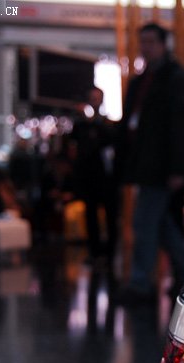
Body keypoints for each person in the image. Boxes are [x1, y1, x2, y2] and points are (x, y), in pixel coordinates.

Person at [116, 23, 184, 303]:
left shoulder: (173, 78)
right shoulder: (144, 80)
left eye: (150, 42)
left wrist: (177, 168)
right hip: (147, 165)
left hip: (159, 166)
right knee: (160, 224)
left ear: (163, 44)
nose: (145, 47)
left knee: (146, 223)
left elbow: (179, 126)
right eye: (143, 42)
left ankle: (141, 283)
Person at [71, 87, 116, 264]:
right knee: (91, 214)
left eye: (97, 98)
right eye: (92, 98)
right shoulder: (82, 125)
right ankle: (95, 251)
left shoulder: (106, 125)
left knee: (110, 215)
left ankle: (110, 252)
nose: (94, 101)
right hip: (89, 177)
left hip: (106, 178)